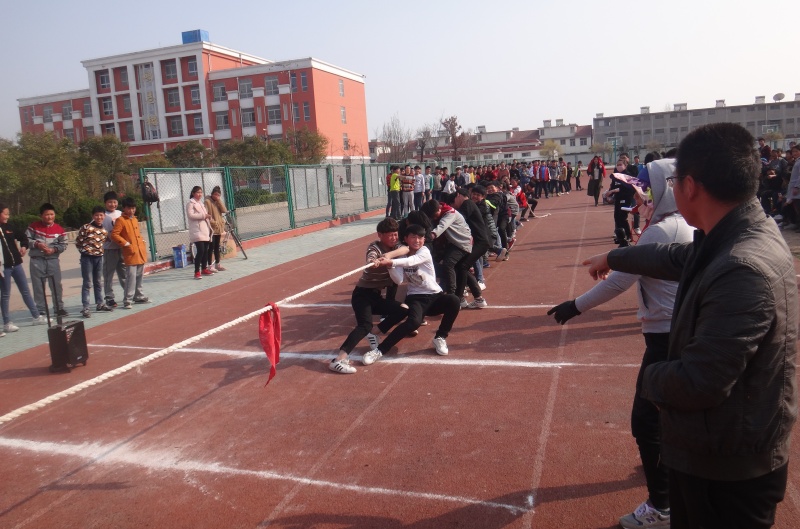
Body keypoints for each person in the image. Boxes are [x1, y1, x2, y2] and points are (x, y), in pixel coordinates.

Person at [584, 123, 797, 529]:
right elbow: (676, 257)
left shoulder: (741, 266)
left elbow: (701, 381)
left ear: (691, 186)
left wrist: (648, 380)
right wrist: (614, 257)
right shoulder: (736, 235)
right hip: (725, 446)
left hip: (726, 466)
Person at [548, 159, 693, 529]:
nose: (637, 194)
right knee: (672, 416)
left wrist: (575, 305)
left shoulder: (663, 231)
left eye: (643, 188)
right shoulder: (676, 224)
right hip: (676, 332)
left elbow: (619, 281)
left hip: (666, 338)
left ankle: (662, 506)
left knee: (647, 423)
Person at [362, 224, 461, 364]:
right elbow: (399, 279)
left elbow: (411, 261)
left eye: (420, 237)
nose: (417, 240)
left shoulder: (424, 251)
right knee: (413, 322)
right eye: (413, 237)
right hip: (416, 298)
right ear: (406, 239)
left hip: (435, 296)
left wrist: (390, 260)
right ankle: (379, 351)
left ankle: (440, 337)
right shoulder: (401, 256)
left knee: (454, 300)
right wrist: (389, 266)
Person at [329, 218, 409, 374]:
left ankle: (374, 333)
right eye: (390, 235)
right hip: (362, 296)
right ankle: (338, 360)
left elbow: (405, 249)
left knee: (403, 309)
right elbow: (371, 258)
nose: (394, 238)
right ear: (380, 235)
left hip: (376, 297)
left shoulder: (396, 247)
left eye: (395, 234)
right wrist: (374, 262)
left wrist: (388, 256)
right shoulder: (374, 247)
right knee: (364, 326)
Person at [0, 203, 46, 332]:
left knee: (25, 290)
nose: (8, 216)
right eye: (5, 213)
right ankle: (7, 323)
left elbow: (23, 237)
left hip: (17, 264)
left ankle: (36, 316)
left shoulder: (9, 227)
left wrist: (24, 246)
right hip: (4, 267)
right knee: (5, 294)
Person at [26, 203, 68, 317]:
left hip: (53, 260)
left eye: (52, 214)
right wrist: (37, 244)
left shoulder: (59, 229)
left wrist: (53, 250)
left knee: (56, 285)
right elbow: (26, 240)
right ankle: (41, 309)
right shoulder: (33, 227)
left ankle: (59, 308)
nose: (49, 217)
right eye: (46, 214)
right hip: (36, 260)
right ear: (41, 215)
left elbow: (64, 245)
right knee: (38, 285)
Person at [110, 197, 149, 309]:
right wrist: (125, 243)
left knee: (139, 276)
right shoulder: (121, 220)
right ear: (124, 208)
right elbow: (114, 235)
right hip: (130, 252)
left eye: (133, 208)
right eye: (129, 208)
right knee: (131, 277)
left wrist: (142, 240)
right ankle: (127, 299)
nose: (131, 211)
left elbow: (137, 234)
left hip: (140, 251)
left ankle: (139, 296)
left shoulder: (135, 219)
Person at [75, 206, 112, 318]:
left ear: (104, 216)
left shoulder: (104, 231)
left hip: (99, 258)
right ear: (93, 216)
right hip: (87, 258)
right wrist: (85, 252)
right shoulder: (86, 227)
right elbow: (78, 242)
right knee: (87, 282)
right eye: (96, 215)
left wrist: (97, 253)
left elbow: (103, 243)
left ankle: (100, 303)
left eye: (101, 215)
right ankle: (86, 307)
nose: (99, 217)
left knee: (98, 281)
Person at [101, 191, 126, 309]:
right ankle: (109, 297)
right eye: (110, 202)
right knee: (108, 274)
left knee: (124, 272)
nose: (112, 204)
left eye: (114, 202)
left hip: (121, 248)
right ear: (105, 203)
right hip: (109, 249)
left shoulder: (121, 213)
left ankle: (128, 293)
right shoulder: (102, 216)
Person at [187, 186, 213, 280]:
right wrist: (203, 215)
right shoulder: (191, 203)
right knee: (201, 250)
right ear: (193, 193)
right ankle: (196, 271)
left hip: (205, 229)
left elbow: (205, 215)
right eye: (198, 192)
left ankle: (204, 268)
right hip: (197, 231)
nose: (200, 194)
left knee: (206, 250)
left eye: (201, 192)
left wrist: (208, 217)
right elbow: (191, 215)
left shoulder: (201, 203)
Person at [204, 186, 228, 272]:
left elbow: (224, 210)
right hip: (212, 229)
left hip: (218, 229)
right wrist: (213, 223)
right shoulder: (207, 202)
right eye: (215, 194)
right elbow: (206, 215)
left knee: (217, 247)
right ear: (212, 194)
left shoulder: (217, 201)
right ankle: (210, 265)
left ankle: (218, 264)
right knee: (211, 247)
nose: (216, 196)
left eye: (218, 195)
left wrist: (219, 201)